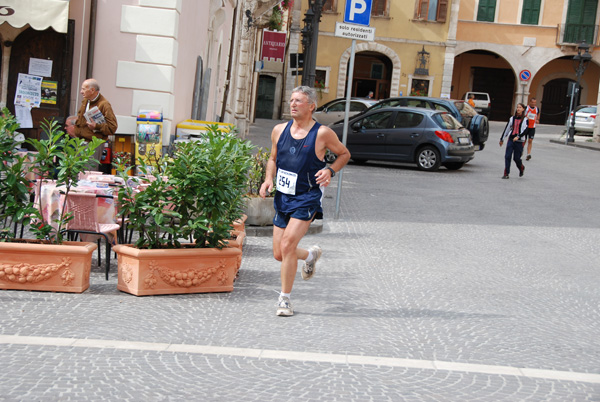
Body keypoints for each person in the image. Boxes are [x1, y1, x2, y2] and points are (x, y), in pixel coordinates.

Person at [259, 86, 350, 317]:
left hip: (307, 196)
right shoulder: (279, 130)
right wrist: (268, 178)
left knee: (288, 245)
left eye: (298, 101)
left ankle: (285, 300)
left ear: (311, 106)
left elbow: (344, 154)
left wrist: (330, 171)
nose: (292, 104)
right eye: (291, 100)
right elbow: (272, 159)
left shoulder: (322, 134)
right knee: (280, 254)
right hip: (283, 197)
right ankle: (310, 256)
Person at [70, 79, 117, 168]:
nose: (81, 92)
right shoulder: (85, 101)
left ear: (92, 90)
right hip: (80, 142)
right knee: (77, 173)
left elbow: (112, 127)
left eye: (83, 89)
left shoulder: (104, 104)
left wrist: (97, 126)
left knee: (88, 172)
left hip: (93, 145)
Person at [499, 103, 527, 179]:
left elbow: (525, 131)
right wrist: (502, 138)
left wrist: (518, 136)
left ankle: (521, 168)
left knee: (516, 158)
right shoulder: (512, 118)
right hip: (511, 139)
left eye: (520, 107)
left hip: (519, 141)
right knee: (507, 156)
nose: (518, 109)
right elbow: (507, 128)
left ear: (523, 109)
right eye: (517, 107)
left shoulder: (525, 119)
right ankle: (506, 173)